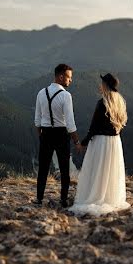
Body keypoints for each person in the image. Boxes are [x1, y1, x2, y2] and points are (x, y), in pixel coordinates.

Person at [69, 72, 130, 216]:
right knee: (110, 170)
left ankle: (96, 196)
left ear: (106, 85)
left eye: (102, 83)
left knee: (97, 169)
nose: (100, 85)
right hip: (114, 142)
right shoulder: (120, 102)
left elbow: (94, 126)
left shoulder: (102, 102)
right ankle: (109, 197)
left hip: (101, 142)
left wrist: (82, 143)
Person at [34, 63, 83, 207]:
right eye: (69, 77)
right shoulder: (66, 96)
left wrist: (41, 136)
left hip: (45, 133)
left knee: (43, 168)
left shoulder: (41, 93)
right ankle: (63, 199)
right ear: (61, 77)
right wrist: (76, 142)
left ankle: (39, 198)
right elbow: (70, 123)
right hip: (61, 134)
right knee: (64, 169)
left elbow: (37, 120)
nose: (70, 80)